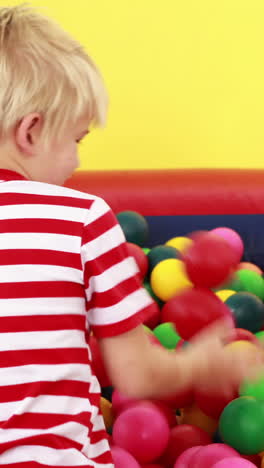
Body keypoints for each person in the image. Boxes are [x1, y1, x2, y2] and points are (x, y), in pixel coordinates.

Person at [0, 5, 262, 467]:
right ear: (32, 131)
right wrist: (203, 362)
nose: (77, 164)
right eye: (76, 141)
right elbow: (138, 375)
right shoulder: (79, 218)